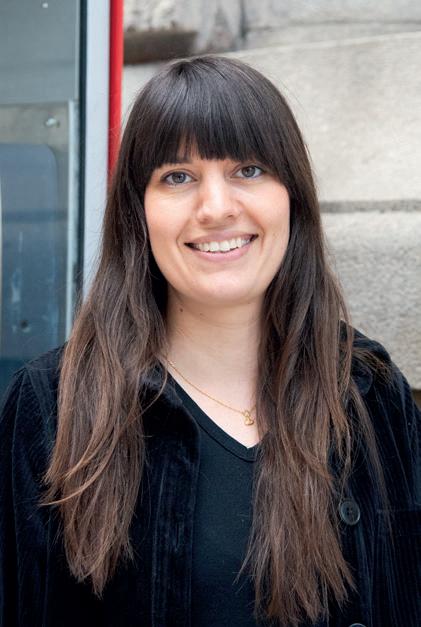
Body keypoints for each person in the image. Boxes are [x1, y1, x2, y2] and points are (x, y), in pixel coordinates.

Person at [0, 55, 420, 627]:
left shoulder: (370, 393)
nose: (217, 209)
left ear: (292, 196)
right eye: (178, 176)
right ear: (138, 211)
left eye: (248, 169)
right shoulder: (53, 408)